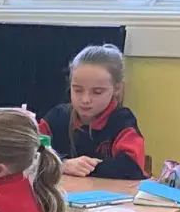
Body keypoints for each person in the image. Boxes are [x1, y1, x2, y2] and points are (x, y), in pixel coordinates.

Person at [39, 44, 146, 180]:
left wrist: (84, 167)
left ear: (116, 88)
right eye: (77, 90)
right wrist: (63, 165)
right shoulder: (56, 117)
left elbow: (132, 167)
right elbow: (28, 154)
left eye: (97, 92)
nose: (85, 99)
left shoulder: (122, 120)